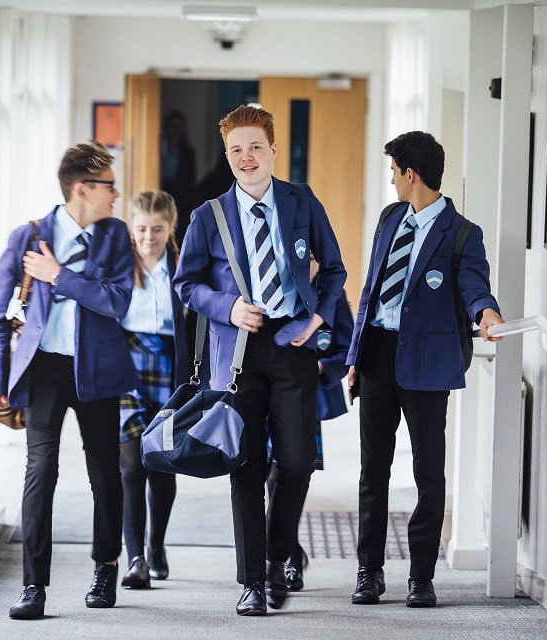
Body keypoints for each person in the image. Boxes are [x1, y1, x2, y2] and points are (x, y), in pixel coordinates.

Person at [174, 105, 346, 617]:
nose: (246, 158)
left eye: (254, 147)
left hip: (292, 345)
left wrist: (316, 323)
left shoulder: (302, 201)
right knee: (244, 466)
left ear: (273, 149)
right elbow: (187, 285)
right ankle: (253, 580)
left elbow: (333, 270)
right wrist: (227, 308)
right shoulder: (208, 216)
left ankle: (276, 556)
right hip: (237, 355)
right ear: (226, 156)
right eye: (235, 150)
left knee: (295, 462)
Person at [0, 141, 137, 619]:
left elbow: (117, 302)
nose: (116, 193)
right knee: (40, 472)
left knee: (105, 474)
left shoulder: (116, 236)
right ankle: (33, 586)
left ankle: (105, 568)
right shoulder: (27, 236)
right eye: (109, 185)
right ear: (83, 189)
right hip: (43, 369)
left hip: (99, 370)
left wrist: (58, 275)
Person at [346, 131, 504, 609]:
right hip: (377, 354)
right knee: (372, 470)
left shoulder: (461, 233)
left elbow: (475, 284)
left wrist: (486, 312)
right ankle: (369, 572)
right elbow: (372, 288)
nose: (392, 181)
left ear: (411, 174)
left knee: (427, 474)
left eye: (394, 173)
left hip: (427, 366)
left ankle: (420, 577)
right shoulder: (389, 218)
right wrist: (354, 356)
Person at [265, 254, 354, 592]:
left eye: (314, 258)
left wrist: (318, 368)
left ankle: (284, 557)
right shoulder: (270, 285)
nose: (307, 264)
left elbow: (345, 347)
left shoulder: (330, 296)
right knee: (260, 472)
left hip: (303, 399)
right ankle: (291, 550)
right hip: (263, 392)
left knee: (285, 475)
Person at [117, 190, 191, 588]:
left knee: (161, 463)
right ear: (132, 227)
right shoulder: (119, 264)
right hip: (126, 366)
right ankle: (135, 559)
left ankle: (156, 544)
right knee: (130, 464)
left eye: (157, 229)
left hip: (168, 369)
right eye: (142, 229)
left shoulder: (182, 268)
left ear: (170, 228)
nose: (149, 237)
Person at [160, 110, 197, 241]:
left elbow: (191, 181)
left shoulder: (188, 152)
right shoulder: (157, 147)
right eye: (172, 125)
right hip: (161, 192)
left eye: (178, 126)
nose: (175, 130)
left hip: (180, 196)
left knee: (178, 232)